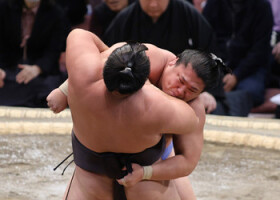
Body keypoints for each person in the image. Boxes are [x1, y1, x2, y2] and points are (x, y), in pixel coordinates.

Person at [48, 29, 230, 199]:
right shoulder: (148, 56)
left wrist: (146, 172)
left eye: (192, 90)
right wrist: (65, 89)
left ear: (200, 94)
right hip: (94, 167)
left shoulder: (191, 108)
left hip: (155, 165)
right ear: (173, 62)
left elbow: (188, 162)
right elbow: (105, 60)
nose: (180, 90)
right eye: (180, 80)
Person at [203, 0, 274, 116]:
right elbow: (205, 39)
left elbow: (260, 50)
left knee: (252, 92)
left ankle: (222, 104)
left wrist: (236, 75)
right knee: (197, 84)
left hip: (249, 68)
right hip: (217, 64)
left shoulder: (262, 6)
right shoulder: (213, 4)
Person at [0, 0, 68, 107]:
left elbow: (53, 52)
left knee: (49, 91)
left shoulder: (56, 13)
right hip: (9, 69)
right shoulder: (4, 8)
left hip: (41, 73)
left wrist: (37, 68)